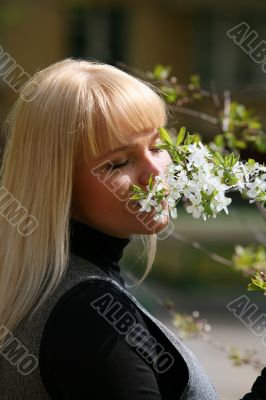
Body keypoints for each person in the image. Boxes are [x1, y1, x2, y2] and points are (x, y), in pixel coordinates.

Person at [0, 58, 264, 399]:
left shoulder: (43, 283)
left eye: (157, 146)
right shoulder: (94, 319)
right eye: (118, 163)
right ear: (58, 184)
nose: (155, 172)